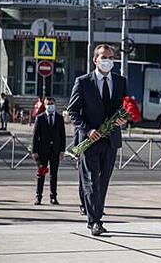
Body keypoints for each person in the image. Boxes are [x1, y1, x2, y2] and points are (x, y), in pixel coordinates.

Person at [67, 44, 128, 236]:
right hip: (90, 140)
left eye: (110, 57)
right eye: (103, 57)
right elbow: (73, 111)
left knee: (103, 182)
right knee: (91, 181)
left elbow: (123, 108)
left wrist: (123, 118)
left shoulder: (120, 81)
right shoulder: (83, 82)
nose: (107, 60)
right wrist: (88, 130)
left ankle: (94, 214)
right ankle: (95, 220)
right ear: (95, 59)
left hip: (111, 140)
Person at [32, 97, 66, 205]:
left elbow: (62, 135)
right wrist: (35, 151)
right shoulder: (40, 118)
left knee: (54, 175)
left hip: (55, 150)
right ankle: (39, 196)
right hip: (43, 150)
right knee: (41, 173)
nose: (50, 105)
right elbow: (35, 136)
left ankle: (53, 197)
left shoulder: (59, 118)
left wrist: (62, 150)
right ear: (45, 105)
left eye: (52, 103)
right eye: (48, 104)